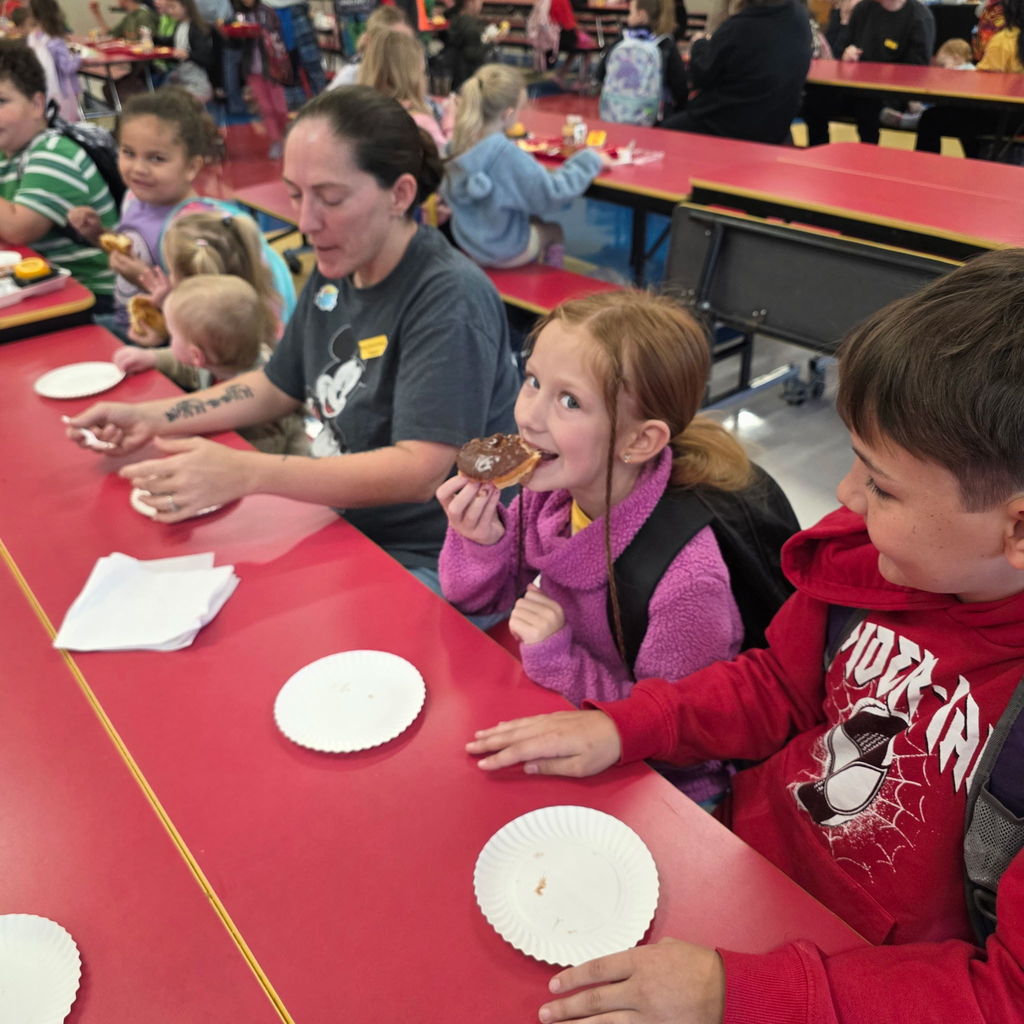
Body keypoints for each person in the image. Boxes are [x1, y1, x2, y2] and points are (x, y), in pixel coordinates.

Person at [465, 248, 1024, 1024]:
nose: (844, 495)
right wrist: (624, 726)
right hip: (739, 856)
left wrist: (739, 992)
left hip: (862, 973)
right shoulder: (875, 560)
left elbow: (1001, 996)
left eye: (882, 485)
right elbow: (773, 685)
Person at [66, 85, 519, 582]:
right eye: (297, 194)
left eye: (330, 198)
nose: (306, 222)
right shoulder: (341, 263)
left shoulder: (447, 297)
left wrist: (249, 473)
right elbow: (278, 384)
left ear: (400, 194)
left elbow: (419, 472)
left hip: (435, 557)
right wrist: (152, 419)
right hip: (343, 519)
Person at [438, 291, 752, 804]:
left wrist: (557, 654)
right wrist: (482, 540)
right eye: (534, 381)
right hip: (565, 713)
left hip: (665, 790)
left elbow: (674, 734)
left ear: (639, 441)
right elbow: (477, 599)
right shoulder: (554, 493)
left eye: (569, 401)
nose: (529, 417)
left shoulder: (688, 580)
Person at [67, 86, 220, 342]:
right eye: (128, 153)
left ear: (191, 166)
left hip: (165, 343)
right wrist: (98, 234)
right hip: (125, 320)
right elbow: (133, 250)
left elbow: (201, 308)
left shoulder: (191, 225)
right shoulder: (135, 197)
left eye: (156, 158)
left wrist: (142, 278)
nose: (138, 168)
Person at [112, 274, 308, 457]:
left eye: (173, 336)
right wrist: (151, 357)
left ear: (196, 355)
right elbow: (188, 368)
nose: (170, 343)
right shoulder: (224, 359)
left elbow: (257, 456)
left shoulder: (261, 411)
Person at [442, 63, 606, 269]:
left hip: (467, 242)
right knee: (553, 230)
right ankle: (550, 283)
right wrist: (590, 159)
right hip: (501, 250)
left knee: (534, 220)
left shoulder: (455, 145)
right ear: (507, 114)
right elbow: (552, 193)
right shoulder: (504, 153)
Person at [0, 41, 116, 309]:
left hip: (95, 300)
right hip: (47, 290)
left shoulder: (52, 151)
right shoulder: (8, 152)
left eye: (1, 101)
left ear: (37, 104)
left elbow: (19, 229)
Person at [128, 208, 295, 345]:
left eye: (171, 272)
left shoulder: (218, 329)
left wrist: (164, 328)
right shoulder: (260, 303)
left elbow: (191, 363)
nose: (169, 278)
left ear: (193, 282)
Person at [661, 0, 811, 144]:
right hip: (776, 127)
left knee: (663, 133)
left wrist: (699, 45)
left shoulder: (740, 26)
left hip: (727, 124)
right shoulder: (799, 18)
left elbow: (701, 74)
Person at [803, 0, 935, 145]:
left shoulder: (919, 17)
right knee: (814, 100)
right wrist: (847, 54)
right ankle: (817, 152)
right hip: (853, 87)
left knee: (868, 106)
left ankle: (868, 156)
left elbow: (917, 69)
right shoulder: (863, 9)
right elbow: (842, 48)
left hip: (889, 94)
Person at [916, 0, 1024, 157]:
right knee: (964, 120)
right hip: (1017, 119)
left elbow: (984, 87)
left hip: (1006, 118)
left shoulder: (1004, 41)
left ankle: (922, 173)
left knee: (930, 119)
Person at [596, 0, 689, 124]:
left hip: (615, 114)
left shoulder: (623, 39)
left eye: (630, 12)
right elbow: (680, 86)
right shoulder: (665, 43)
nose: (628, 17)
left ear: (641, 15)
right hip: (653, 118)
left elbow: (600, 74)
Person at [358, 29, 451, 151]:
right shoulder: (419, 125)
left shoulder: (360, 116)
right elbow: (448, 163)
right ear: (413, 76)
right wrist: (450, 124)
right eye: (423, 73)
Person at [228, 0, 291, 158]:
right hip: (252, 68)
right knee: (265, 107)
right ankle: (275, 140)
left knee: (280, 107)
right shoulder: (239, 15)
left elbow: (277, 35)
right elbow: (235, 41)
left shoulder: (266, 11)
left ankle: (287, 136)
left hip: (271, 67)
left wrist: (261, 32)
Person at [880, 37, 974, 131]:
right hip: (953, 110)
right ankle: (918, 111)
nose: (941, 70)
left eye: (943, 65)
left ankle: (905, 119)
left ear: (956, 58)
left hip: (955, 112)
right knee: (928, 111)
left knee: (928, 116)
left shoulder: (960, 73)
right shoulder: (972, 70)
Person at [327, 3, 412, 90]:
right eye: (391, 43)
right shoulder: (350, 77)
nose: (402, 51)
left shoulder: (410, 73)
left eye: (407, 44)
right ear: (370, 42)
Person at [260, 0, 326, 108]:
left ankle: (321, 103)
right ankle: (313, 104)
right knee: (285, 66)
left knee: (308, 62)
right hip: (273, 11)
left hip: (291, 10)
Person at [25, 0, 79, 121]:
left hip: (40, 89)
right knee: (64, 121)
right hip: (62, 91)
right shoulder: (55, 41)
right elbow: (67, 67)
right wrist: (77, 57)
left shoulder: (32, 38)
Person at [155, 0, 215, 102]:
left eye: (173, 7)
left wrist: (188, 55)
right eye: (168, 8)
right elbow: (169, 43)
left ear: (186, 7)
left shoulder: (197, 28)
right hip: (183, 78)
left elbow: (207, 58)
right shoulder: (179, 25)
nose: (170, 11)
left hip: (198, 82)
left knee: (167, 100)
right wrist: (152, 38)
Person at [87, 0, 157, 41]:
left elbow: (147, 41)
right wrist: (97, 13)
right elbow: (110, 35)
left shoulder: (144, 15)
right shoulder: (129, 17)